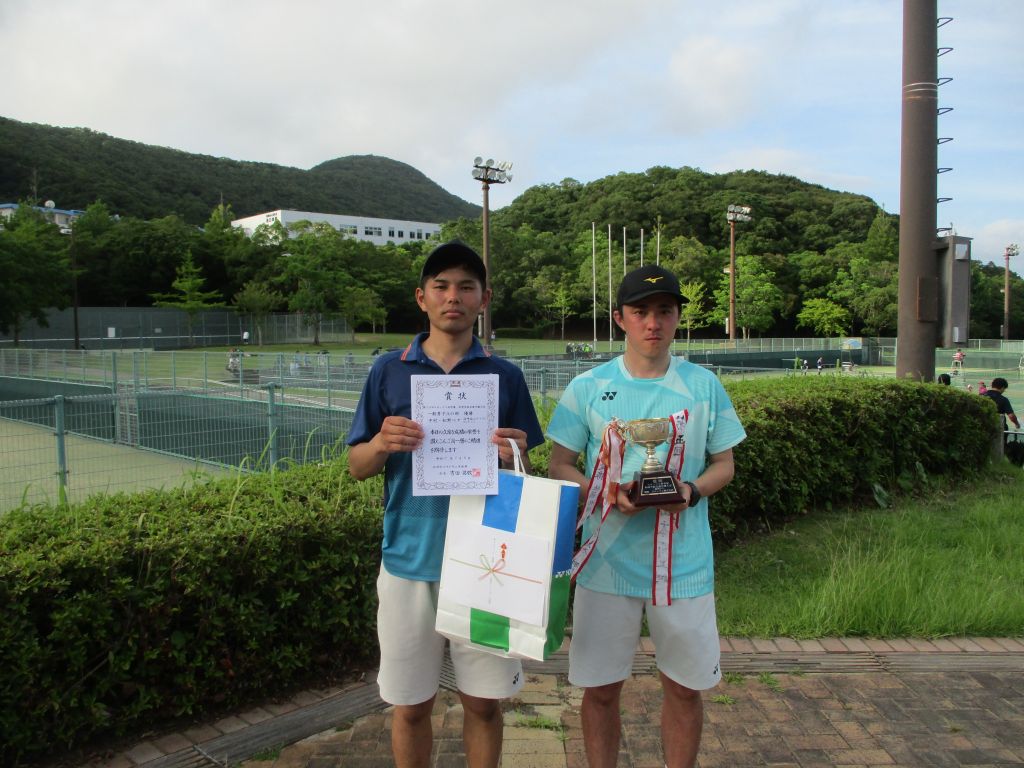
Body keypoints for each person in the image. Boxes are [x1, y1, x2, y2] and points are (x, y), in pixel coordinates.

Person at [346, 241, 545, 768]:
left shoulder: (505, 376)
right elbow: (357, 465)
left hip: (489, 564)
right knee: (411, 706)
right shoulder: (388, 371)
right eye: (441, 286)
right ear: (422, 297)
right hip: (409, 561)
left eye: (465, 287)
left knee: (483, 704)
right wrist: (381, 443)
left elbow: (526, 471)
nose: (452, 297)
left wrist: (515, 453)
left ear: (484, 298)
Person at [547, 264, 746, 768]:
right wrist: (604, 492)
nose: (652, 323)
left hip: (683, 565)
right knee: (600, 690)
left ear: (678, 317)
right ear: (620, 318)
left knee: (684, 689)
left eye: (664, 311)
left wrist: (691, 491)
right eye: (640, 312)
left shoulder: (704, 386)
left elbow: (724, 464)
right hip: (606, 564)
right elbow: (560, 465)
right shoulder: (587, 386)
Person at [982, 378, 1021, 442]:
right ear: (1002, 388)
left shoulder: (981, 396)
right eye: (1004, 389)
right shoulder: (1003, 399)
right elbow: (1011, 416)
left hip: (982, 427)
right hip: (998, 429)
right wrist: (1017, 424)